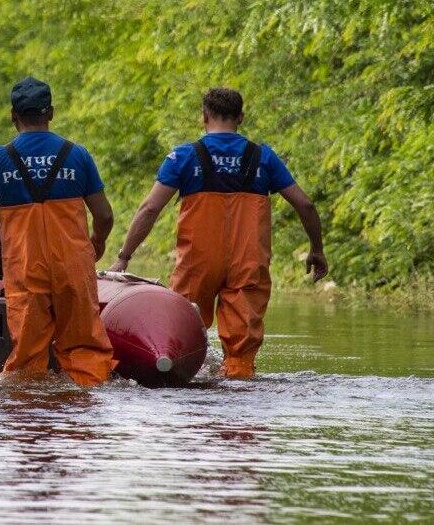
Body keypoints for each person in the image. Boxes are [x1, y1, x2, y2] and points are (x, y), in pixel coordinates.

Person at [108, 86, 328, 379]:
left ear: (204, 116)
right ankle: (238, 395)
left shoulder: (185, 156)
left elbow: (150, 208)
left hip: (196, 265)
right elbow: (305, 204)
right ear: (240, 117)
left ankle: (182, 387)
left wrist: (124, 256)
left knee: (179, 338)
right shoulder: (263, 158)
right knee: (240, 357)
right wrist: (316, 249)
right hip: (248, 264)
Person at [0, 77, 118, 387]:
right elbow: (104, 214)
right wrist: (97, 242)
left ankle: (29, 416)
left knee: (27, 360)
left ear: (13, 115)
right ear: (52, 113)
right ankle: (85, 409)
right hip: (73, 264)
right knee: (85, 349)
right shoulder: (77, 155)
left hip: (26, 266)